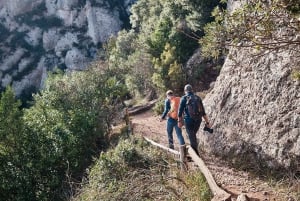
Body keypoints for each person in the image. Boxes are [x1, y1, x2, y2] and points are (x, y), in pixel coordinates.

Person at [177, 84, 211, 156]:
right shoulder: (198, 98)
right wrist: (207, 122)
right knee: (193, 136)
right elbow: (203, 112)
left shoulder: (184, 98)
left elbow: (180, 112)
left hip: (188, 121)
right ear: (192, 90)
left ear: (185, 91)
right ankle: (193, 153)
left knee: (192, 137)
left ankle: (196, 156)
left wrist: (179, 121)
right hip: (198, 120)